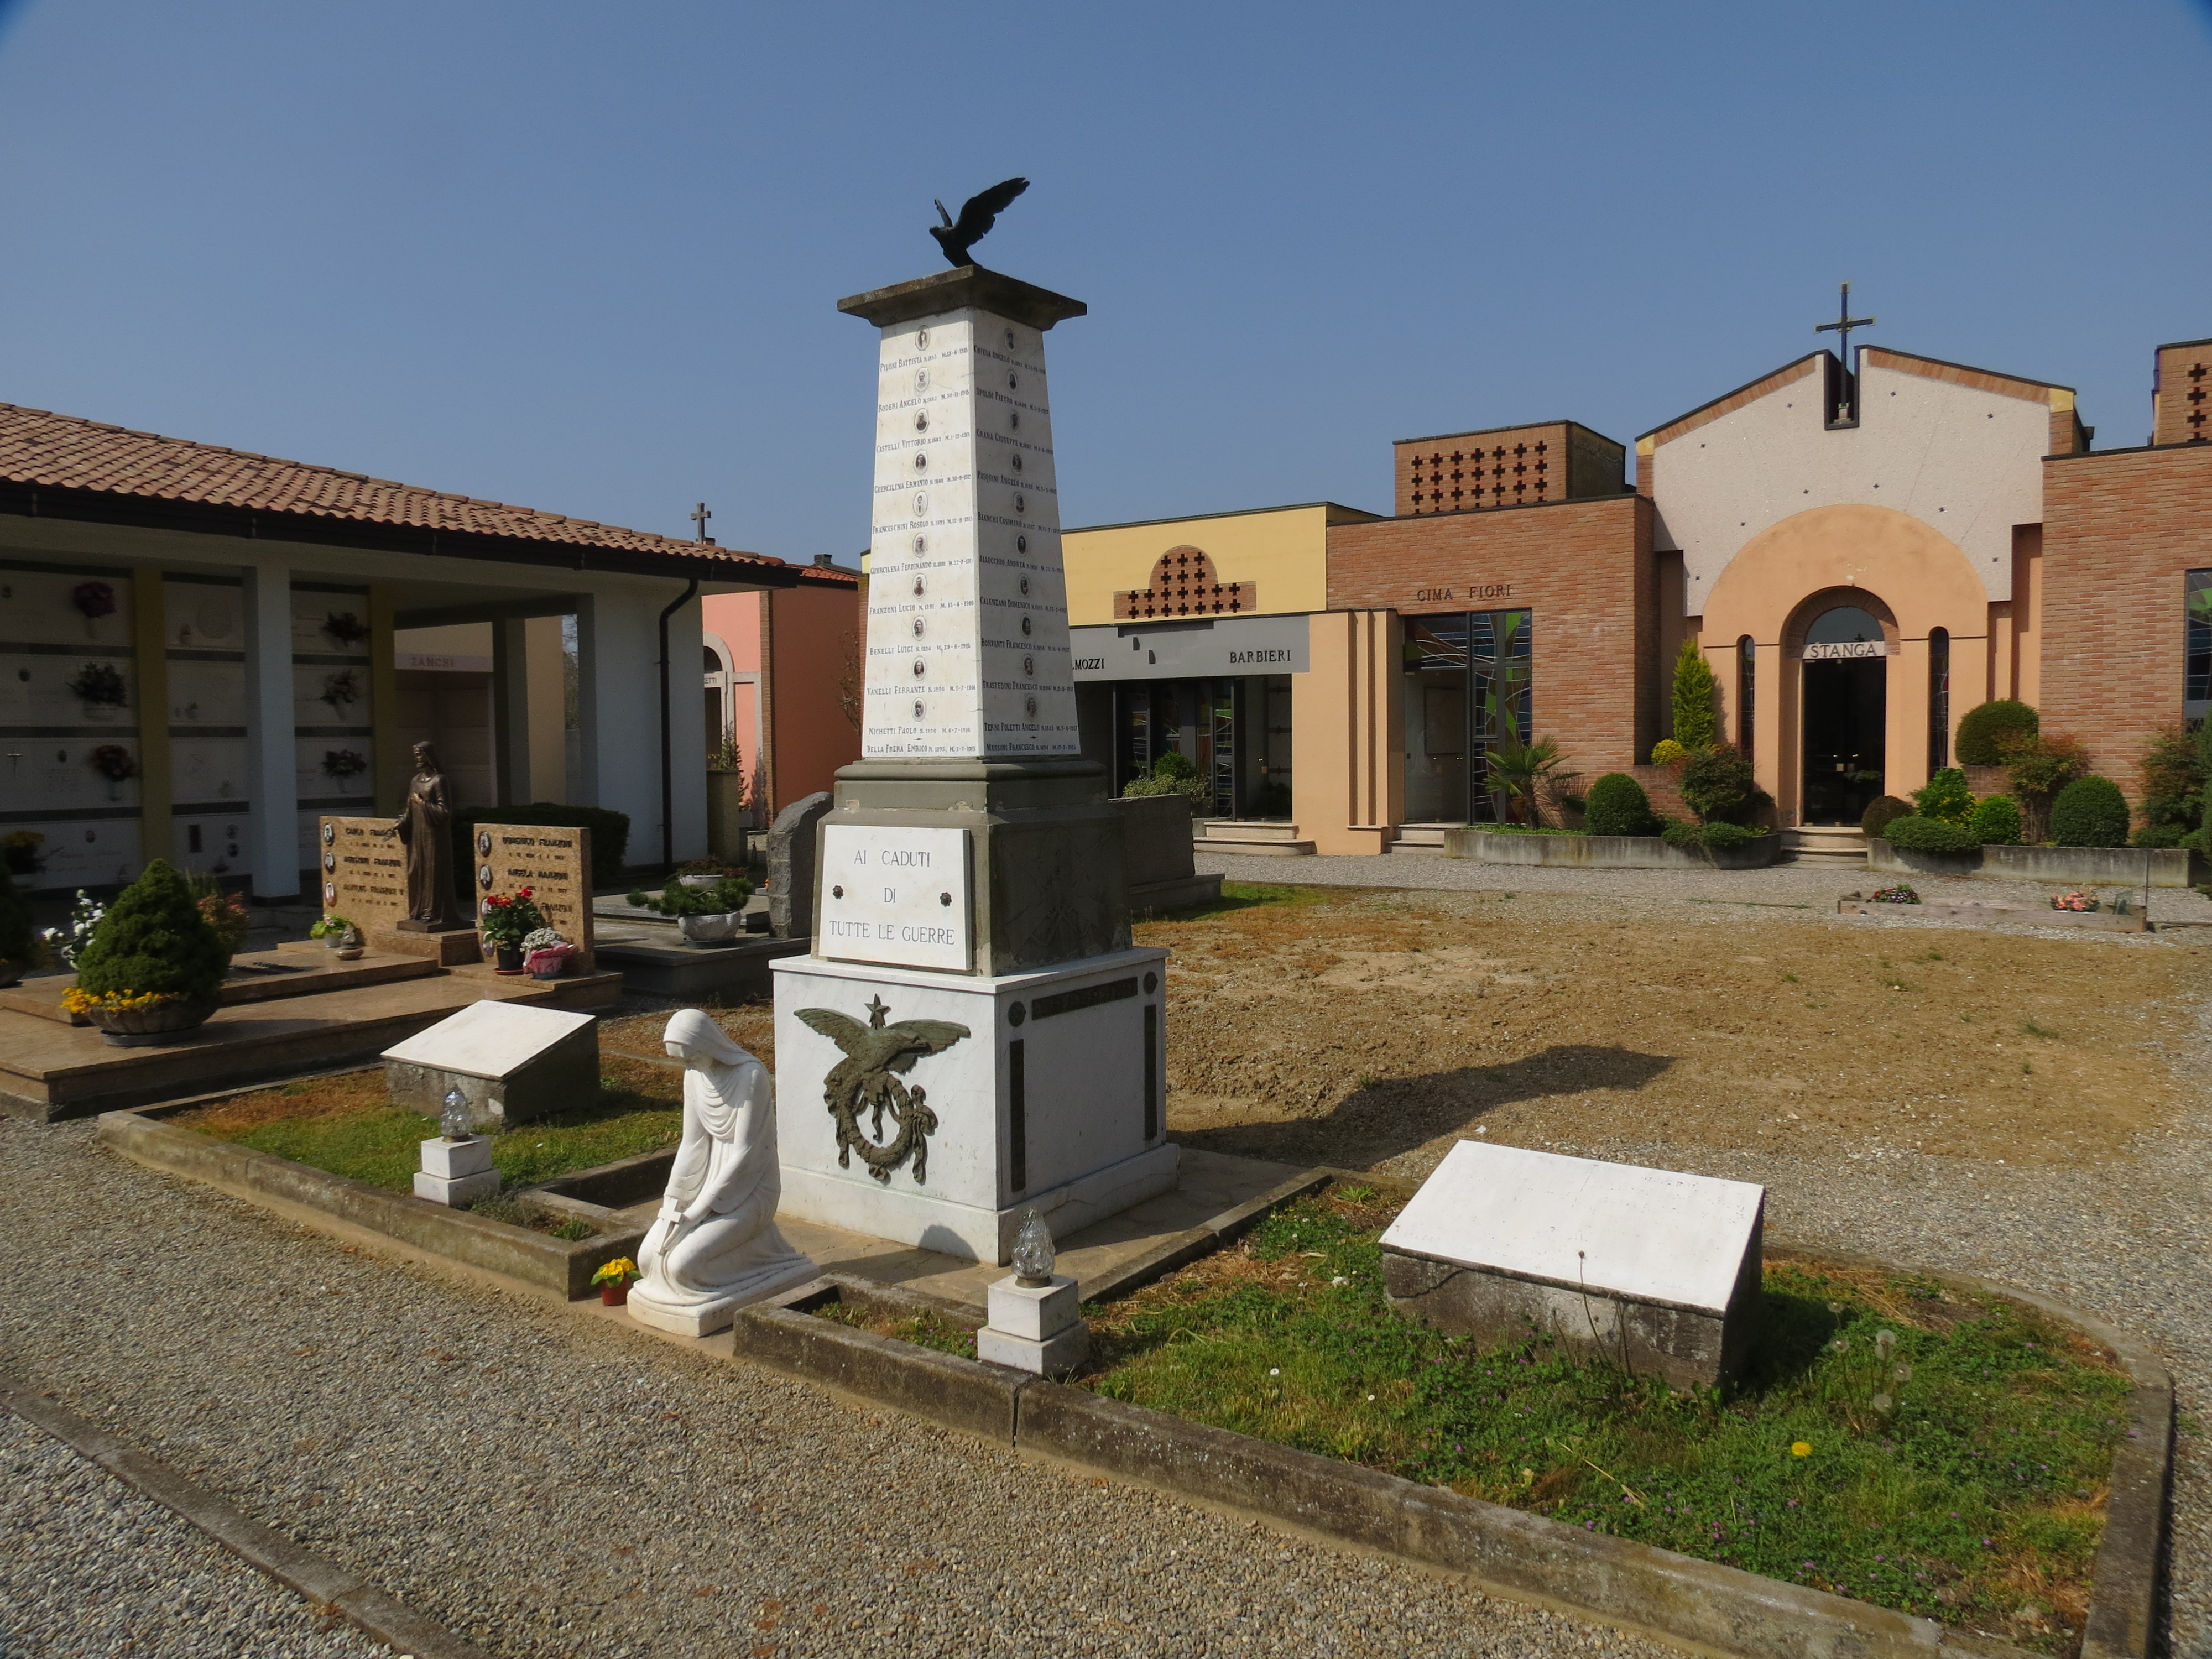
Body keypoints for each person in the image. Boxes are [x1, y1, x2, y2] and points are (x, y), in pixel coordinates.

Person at [629, 1009, 816, 1335]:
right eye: (682, 1060)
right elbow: (692, 1144)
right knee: (647, 1259)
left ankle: (770, 1268)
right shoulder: (694, 1077)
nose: (687, 1065)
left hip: (749, 1189)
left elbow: (746, 1153)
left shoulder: (751, 1076)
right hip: (703, 1184)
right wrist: (674, 1202)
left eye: (692, 1056)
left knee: (680, 1267)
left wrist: (700, 1212)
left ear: (709, 1045)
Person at [394, 740, 465, 930]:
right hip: (418, 835)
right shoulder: (415, 781)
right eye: (415, 754)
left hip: (434, 836)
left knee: (433, 872)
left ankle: (433, 912)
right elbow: (410, 809)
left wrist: (422, 804)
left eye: (419, 754)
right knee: (416, 870)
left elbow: (444, 811)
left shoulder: (440, 780)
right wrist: (402, 821)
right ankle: (419, 910)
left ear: (428, 755)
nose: (417, 758)